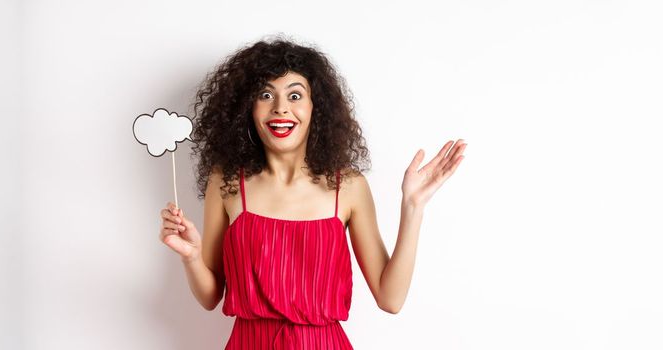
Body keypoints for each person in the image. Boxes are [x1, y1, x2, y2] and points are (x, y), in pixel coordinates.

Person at [158, 36, 466, 349]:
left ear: (315, 107)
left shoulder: (348, 187)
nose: (281, 108)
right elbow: (211, 297)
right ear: (247, 108)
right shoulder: (225, 183)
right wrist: (192, 257)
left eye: (295, 96)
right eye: (266, 94)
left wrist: (413, 207)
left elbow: (391, 299)